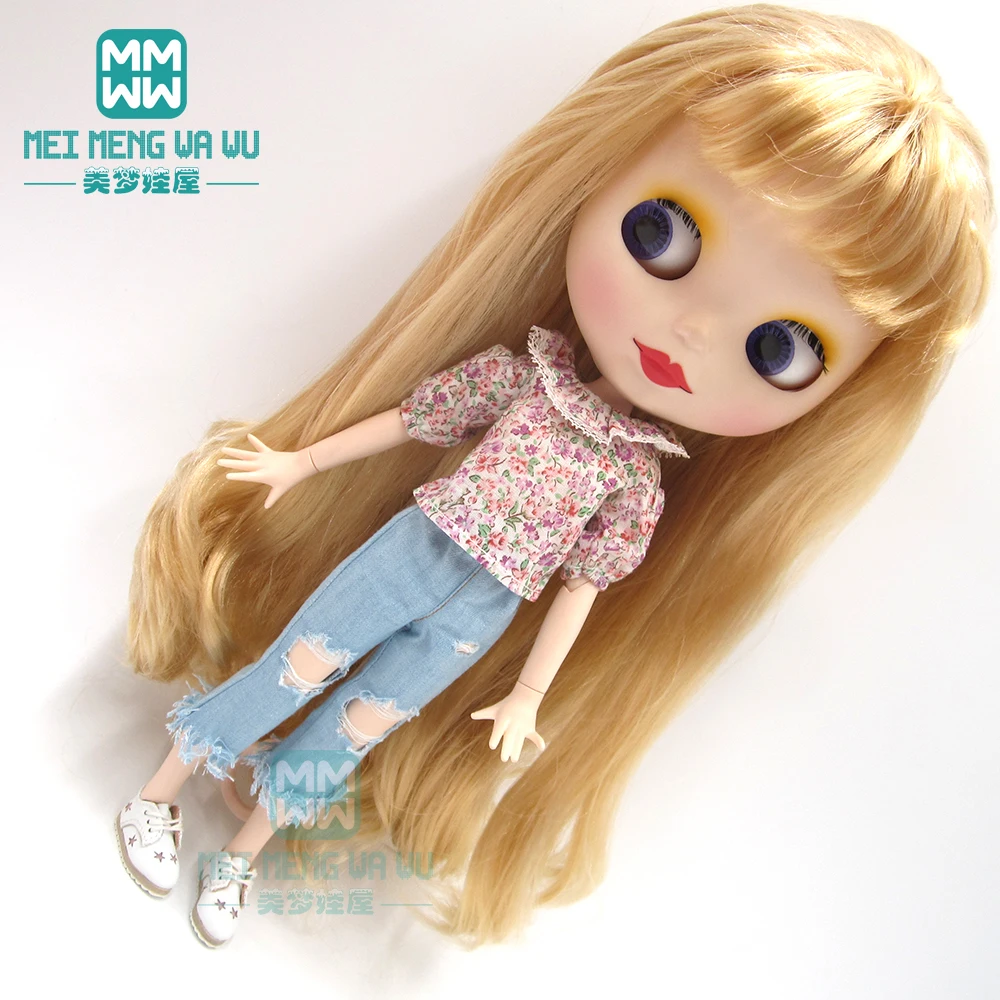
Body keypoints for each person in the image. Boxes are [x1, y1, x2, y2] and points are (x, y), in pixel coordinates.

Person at [116, 5, 993, 948]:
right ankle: (160, 793)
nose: (694, 329)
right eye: (662, 233)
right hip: (419, 550)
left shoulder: (637, 485)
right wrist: (302, 460)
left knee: (358, 725)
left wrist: (531, 693)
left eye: (781, 348)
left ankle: (244, 853)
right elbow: (418, 419)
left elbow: (582, 585)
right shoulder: (525, 380)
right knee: (299, 663)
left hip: (483, 613)